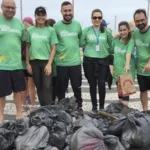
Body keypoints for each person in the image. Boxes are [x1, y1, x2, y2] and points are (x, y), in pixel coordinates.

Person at [80, 9, 113, 111]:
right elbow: (81, 43)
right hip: (89, 60)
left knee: (102, 83)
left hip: (103, 60)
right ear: (91, 19)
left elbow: (112, 46)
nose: (97, 19)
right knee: (92, 84)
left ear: (101, 18)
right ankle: (94, 106)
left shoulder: (107, 31)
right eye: (95, 17)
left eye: (99, 17)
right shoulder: (86, 30)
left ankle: (102, 106)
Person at [26, 6, 58, 106]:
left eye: (43, 15)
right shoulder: (30, 30)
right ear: (35, 16)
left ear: (46, 16)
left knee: (47, 86)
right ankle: (43, 109)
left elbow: (53, 48)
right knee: (39, 87)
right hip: (34, 62)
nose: (41, 17)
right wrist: (27, 64)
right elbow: (27, 48)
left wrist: (49, 64)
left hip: (46, 62)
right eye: (38, 15)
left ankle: (48, 110)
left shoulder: (50, 30)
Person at [53, 1, 83, 110]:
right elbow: (53, 44)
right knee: (61, 89)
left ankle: (79, 107)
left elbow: (81, 39)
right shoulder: (56, 26)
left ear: (72, 11)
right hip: (61, 63)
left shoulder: (77, 25)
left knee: (77, 88)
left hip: (75, 63)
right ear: (61, 12)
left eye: (69, 10)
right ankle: (61, 109)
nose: (68, 13)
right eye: (65, 11)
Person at [0, 0, 25, 122]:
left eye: (13, 8)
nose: (11, 10)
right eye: (8, 7)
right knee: (1, 94)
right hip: (1, 65)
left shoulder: (19, 24)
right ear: (1, 7)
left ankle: (19, 114)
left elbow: (23, 42)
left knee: (19, 91)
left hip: (17, 64)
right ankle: (0, 116)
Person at [110, 21, 135, 106]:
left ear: (128, 30)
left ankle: (125, 113)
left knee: (125, 96)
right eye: (120, 30)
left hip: (126, 71)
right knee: (120, 95)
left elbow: (128, 52)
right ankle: (121, 114)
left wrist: (127, 64)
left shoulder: (131, 41)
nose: (122, 32)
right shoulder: (116, 41)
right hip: (117, 72)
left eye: (124, 30)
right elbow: (111, 52)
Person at [133, 9, 150, 111]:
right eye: (137, 21)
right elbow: (129, 44)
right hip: (141, 70)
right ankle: (145, 111)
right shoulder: (135, 34)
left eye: (142, 20)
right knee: (143, 91)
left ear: (146, 19)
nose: (140, 23)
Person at [21, 17, 36, 112]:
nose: (26, 25)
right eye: (25, 23)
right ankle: (27, 104)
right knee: (27, 84)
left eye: (27, 23)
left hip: (28, 62)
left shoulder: (30, 34)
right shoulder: (26, 34)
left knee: (28, 84)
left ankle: (29, 105)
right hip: (25, 62)